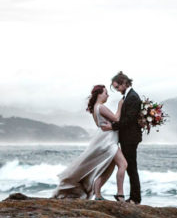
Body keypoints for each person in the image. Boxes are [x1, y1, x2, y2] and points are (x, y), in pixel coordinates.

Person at [53, 84, 128, 200]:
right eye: (105, 93)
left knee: (107, 168)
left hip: (105, 139)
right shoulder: (101, 107)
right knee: (123, 164)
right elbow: (116, 119)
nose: (107, 95)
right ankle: (120, 194)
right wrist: (120, 106)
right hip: (108, 141)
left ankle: (97, 195)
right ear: (99, 94)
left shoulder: (95, 109)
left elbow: (105, 124)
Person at [109, 71, 142, 204]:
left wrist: (113, 127)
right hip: (128, 137)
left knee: (131, 167)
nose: (117, 90)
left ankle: (135, 198)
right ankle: (134, 197)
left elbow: (128, 119)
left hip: (130, 138)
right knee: (130, 166)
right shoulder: (128, 96)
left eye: (117, 87)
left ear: (124, 83)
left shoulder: (133, 97)